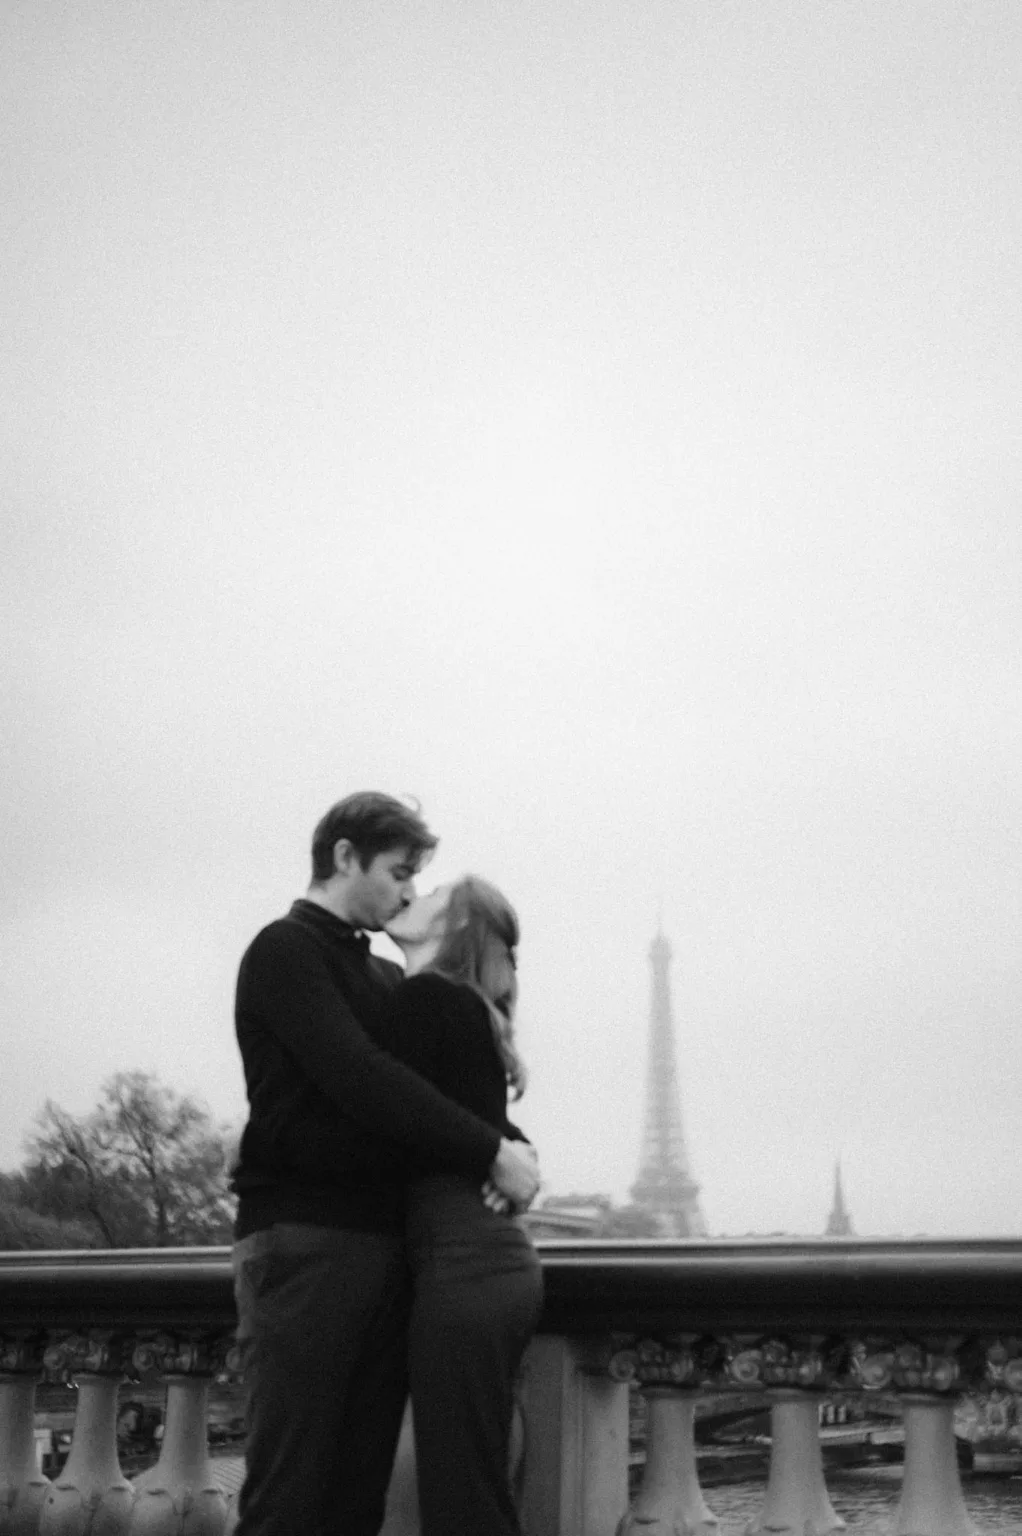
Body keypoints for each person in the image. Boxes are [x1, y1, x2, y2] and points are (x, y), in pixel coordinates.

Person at [230, 793, 540, 1536]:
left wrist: (511, 1143)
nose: (408, 890)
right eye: (400, 872)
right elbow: (359, 1076)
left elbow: (428, 1096)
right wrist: (492, 1150)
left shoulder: (386, 980)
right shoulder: (283, 951)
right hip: (306, 1243)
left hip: (387, 1253)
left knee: (353, 1497)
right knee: (289, 1490)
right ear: (344, 856)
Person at [379, 875, 544, 1536]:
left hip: (463, 1267)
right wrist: (515, 1155)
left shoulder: (424, 998)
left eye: (437, 891)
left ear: (457, 927)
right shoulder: (461, 1008)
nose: (417, 891)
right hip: (486, 1263)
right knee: (471, 1481)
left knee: (461, 1490)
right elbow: (478, 1127)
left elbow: (384, 1111)